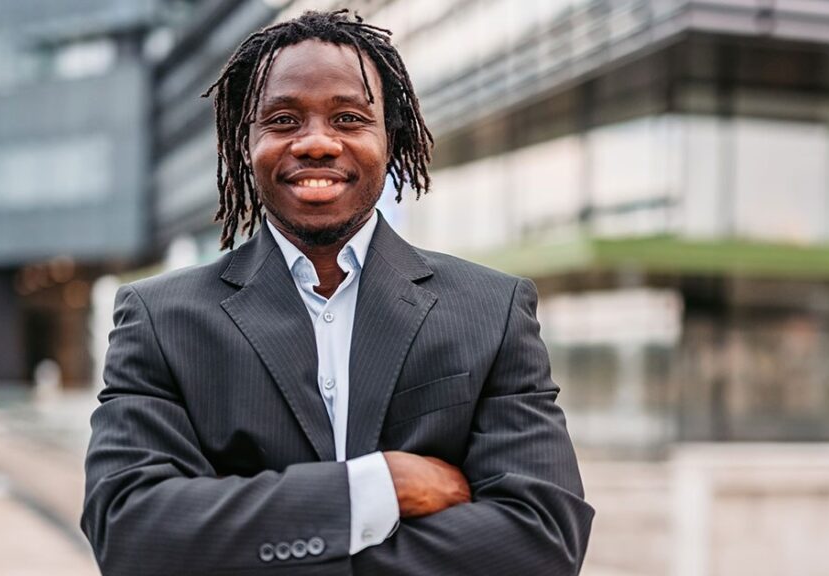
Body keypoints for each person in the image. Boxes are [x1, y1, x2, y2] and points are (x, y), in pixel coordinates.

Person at [81, 9, 593, 575]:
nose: (317, 143)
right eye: (282, 120)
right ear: (243, 144)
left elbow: (542, 539)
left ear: (390, 139)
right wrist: (375, 490)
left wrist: (262, 543)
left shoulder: (491, 309)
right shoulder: (160, 319)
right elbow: (131, 531)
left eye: (349, 118)